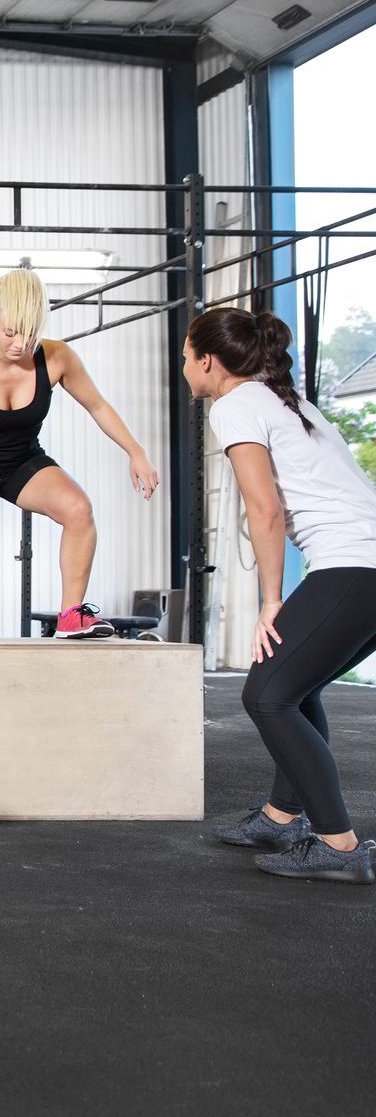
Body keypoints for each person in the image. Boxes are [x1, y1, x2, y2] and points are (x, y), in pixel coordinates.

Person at [186, 307, 376, 884]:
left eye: (187, 356)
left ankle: (338, 847)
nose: (185, 367)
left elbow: (263, 507)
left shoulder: (236, 404)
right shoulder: (284, 400)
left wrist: (273, 599)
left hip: (354, 564)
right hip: (363, 565)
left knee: (267, 696)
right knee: (293, 683)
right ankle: (280, 816)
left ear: (208, 361)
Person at [0, 268, 158, 639]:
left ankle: (71, 614)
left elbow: (98, 406)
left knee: (79, 509)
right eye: (10, 332)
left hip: (21, 460)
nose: (21, 343)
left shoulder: (57, 358)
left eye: (31, 334)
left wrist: (136, 452)